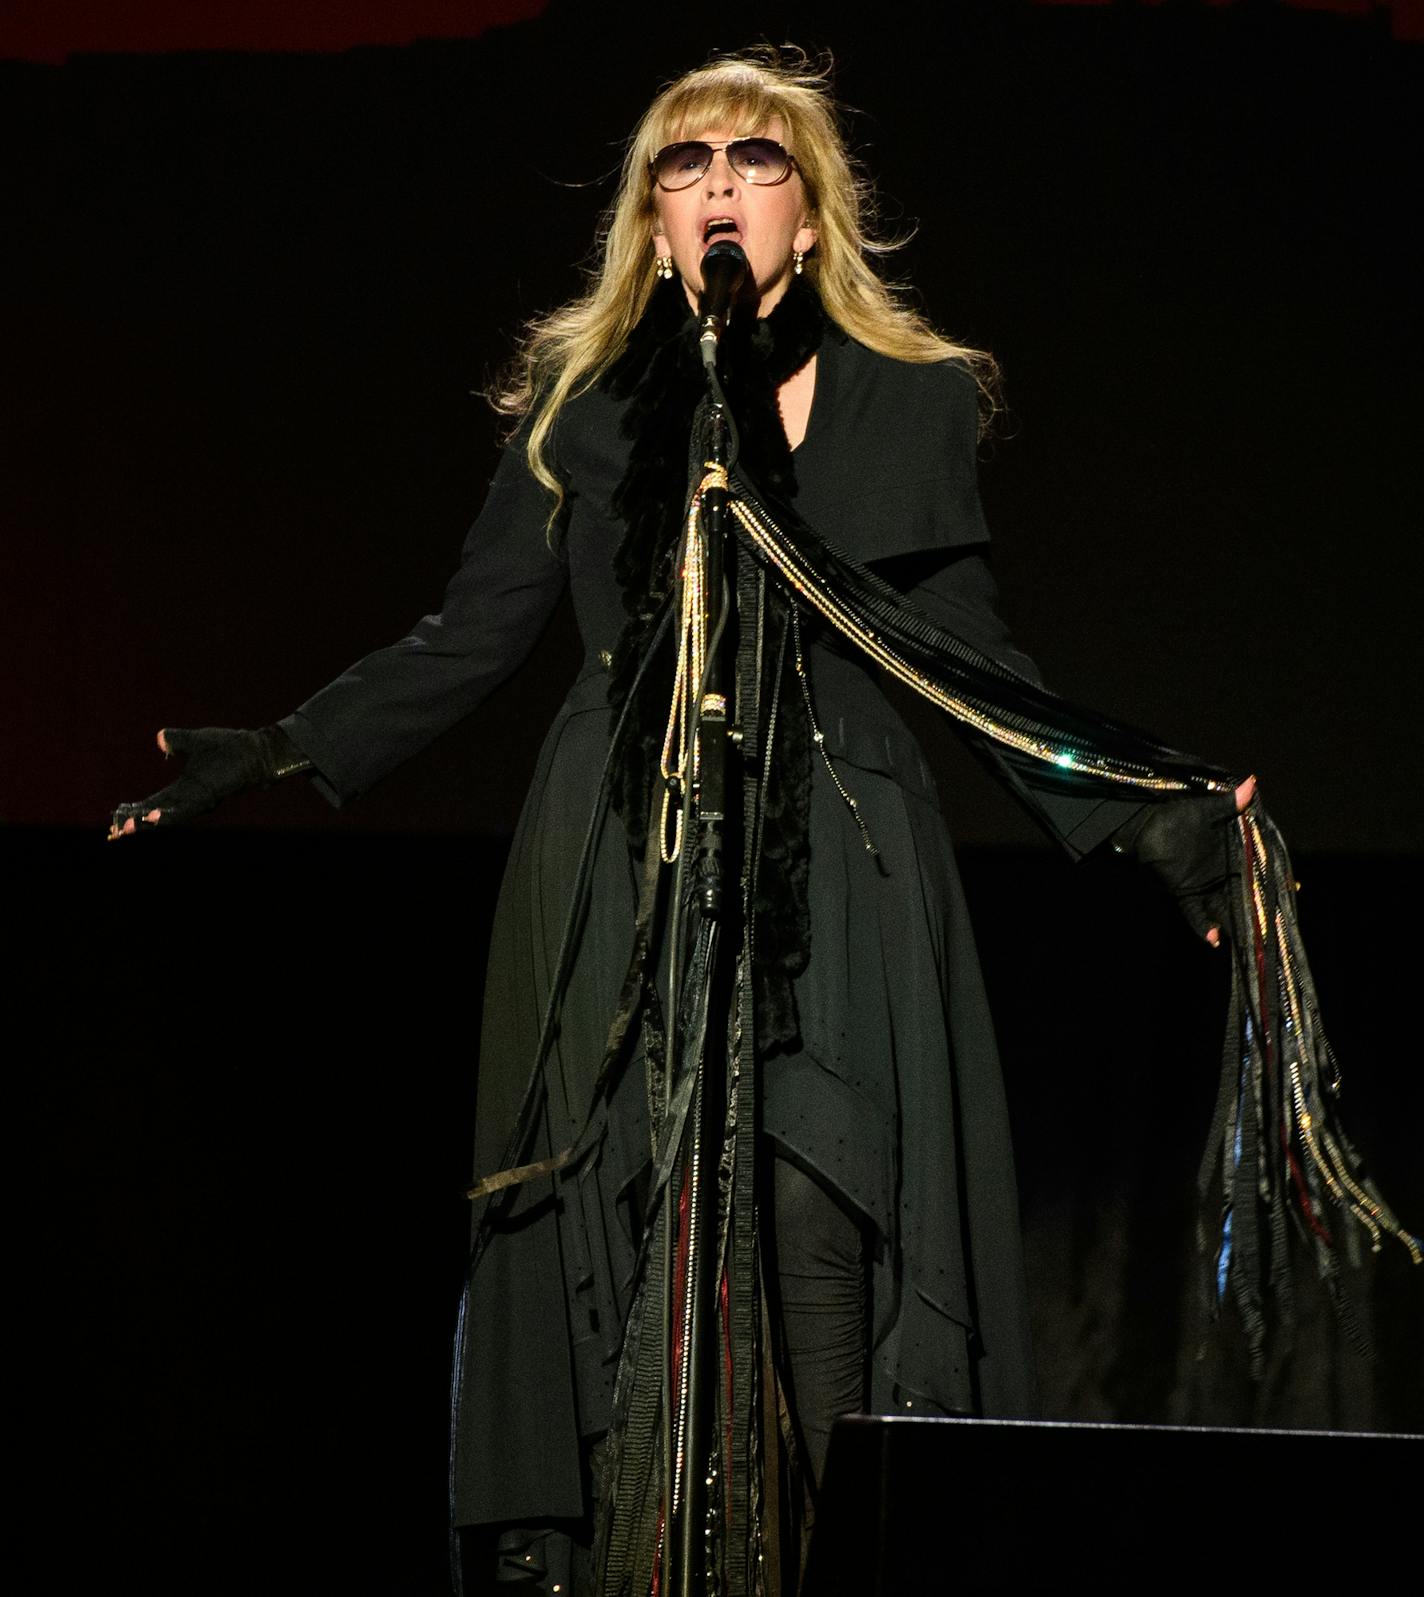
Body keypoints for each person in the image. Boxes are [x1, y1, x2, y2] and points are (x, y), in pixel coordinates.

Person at [110, 48, 1257, 1594]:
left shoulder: (901, 405)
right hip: (613, 867)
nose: (719, 180)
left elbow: (973, 657)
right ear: (654, 225)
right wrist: (288, 747)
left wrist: (1148, 808)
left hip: (833, 855)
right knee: (628, 1226)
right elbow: (471, 635)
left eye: (758, 160)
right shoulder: (584, 414)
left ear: (808, 217)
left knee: (812, 1196)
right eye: (686, 161)